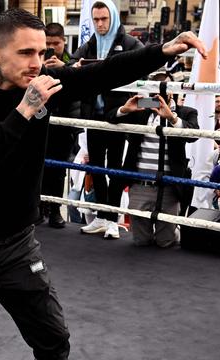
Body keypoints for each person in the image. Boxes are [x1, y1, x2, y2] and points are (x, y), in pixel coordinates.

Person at [0, 8, 205, 360]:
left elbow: (99, 75)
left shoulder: (40, 81)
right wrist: (26, 108)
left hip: (16, 244)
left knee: (54, 341)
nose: (36, 63)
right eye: (26, 53)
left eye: (41, 53)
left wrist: (161, 51)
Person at [72, 0, 144, 239]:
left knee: (115, 170)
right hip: (94, 117)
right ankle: (102, 217)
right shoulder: (90, 44)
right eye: (96, 20)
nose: (100, 24)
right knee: (96, 167)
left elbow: (145, 70)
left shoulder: (130, 43)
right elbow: (73, 64)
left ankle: (112, 219)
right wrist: (76, 67)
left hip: (120, 117)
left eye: (104, 19)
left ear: (113, 18)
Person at [109, 78, 199, 247]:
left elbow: (194, 135)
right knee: (140, 242)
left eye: (163, 89)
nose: (158, 94)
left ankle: (175, 230)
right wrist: (124, 109)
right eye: (154, 88)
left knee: (166, 242)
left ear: (172, 91)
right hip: (139, 185)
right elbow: (109, 118)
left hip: (169, 187)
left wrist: (172, 118)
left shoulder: (186, 112)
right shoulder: (140, 110)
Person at [40, 22, 80, 228]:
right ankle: (38, 209)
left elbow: (81, 84)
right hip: (40, 120)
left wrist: (64, 69)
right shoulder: (37, 60)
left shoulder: (72, 61)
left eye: (56, 43)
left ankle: (55, 210)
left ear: (64, 41)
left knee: (58, 171)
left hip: (64, 123)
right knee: (38, 166)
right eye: (48, 43)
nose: (52, 47)